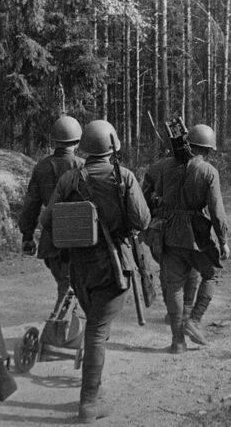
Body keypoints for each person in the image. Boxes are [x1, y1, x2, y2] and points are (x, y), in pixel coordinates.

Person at [40, 120, 150, 423]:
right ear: (112, 148)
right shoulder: (123, 178)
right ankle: (88, 402)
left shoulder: (68, 180)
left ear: (85, 148)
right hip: (113, 267)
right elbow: (142, 221)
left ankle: (94, 391)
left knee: (96, 326)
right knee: (97, 331)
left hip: (79, 269)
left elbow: (47, 221)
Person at [155, 124, 230, 353]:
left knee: (174, 286)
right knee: (212, 273)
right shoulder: (208, 171)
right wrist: (223, 240)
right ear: (206, 149)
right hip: (195, 233)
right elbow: (217, 212)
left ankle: (177, 342)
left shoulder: (166, 166)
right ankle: (194, 321)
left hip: (168, 232)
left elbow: (156, 195)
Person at [19, 116, 84, 306]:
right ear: (78, 141)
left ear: (54, 141)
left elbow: (31, 205)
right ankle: (62, 325)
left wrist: (27, 236)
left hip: (52, 236)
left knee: (64, 280)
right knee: (71, 284)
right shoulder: (82, 166)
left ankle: (68, 319)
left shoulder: (42, 167)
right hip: (81, 235)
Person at [141, 151, 200, 321]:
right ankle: (186, 312)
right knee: (192, 271)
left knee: (168, 271)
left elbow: (144, 203)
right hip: (191, 229)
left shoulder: (155, 168)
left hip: (161, 230)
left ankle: (172, 313)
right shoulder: (197, 166)